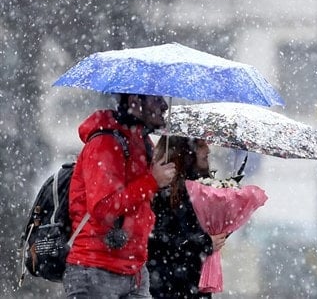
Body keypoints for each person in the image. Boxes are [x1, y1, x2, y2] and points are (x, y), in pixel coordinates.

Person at [64, 94, 176, 298]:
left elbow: (138, 203)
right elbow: (102, 208)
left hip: (134, 271)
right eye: (156, 99)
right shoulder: (105, 143)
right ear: (135, 100)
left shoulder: (142, 142)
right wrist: (151, 181)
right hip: (97, 271)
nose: (163, 105)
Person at [148, 136, 227, 299]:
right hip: (167, 286)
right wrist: (204, 243)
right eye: (201, 144)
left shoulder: (203, 188)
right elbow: (156, 240)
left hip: (195, 284)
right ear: (184, 150)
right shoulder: (163, 190)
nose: (208, 149)